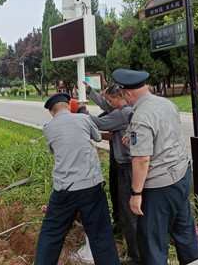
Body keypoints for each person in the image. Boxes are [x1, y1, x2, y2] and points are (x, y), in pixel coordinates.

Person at [112, 69, 198, 265]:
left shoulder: (140, 117)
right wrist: (133, 134)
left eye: (124, 96)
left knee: (152, 241)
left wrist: (136, 194)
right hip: (181, 175)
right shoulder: (166, 103)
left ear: (128, 94)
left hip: (160, 187)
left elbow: (142, 160)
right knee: (184, 230)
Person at [34, 92, 120, 265]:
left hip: (65, 190)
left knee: (51, 233)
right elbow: (97, 137)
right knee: (101, 234)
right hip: (91, 187)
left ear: (52, 112)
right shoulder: (83, 119)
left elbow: (54, 150)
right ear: (69, 106)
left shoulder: (48, 128)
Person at [83, 81, 141, 265]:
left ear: (119, 97)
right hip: (127, 165)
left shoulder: (122, 113)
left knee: (128, 213)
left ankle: (137, 257)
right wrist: (90, 92)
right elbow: (107, 109)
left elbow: (99, 122)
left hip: (127, 166)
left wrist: (82, 113)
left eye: (110, 99)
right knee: (126, 209)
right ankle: (138, 250)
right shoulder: (126, 110)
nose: (108, 104)